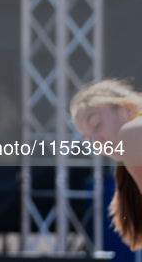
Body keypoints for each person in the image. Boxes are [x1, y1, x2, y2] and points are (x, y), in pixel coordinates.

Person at [70, 79, 142, 251]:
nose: (95, 141)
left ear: (128, 109)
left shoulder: (131, 133)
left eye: (97, 125)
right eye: (88, 138)